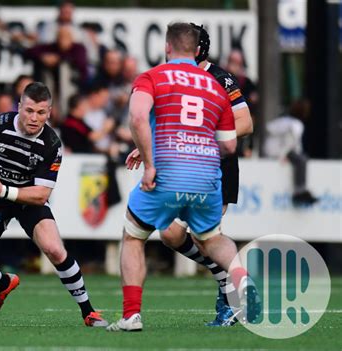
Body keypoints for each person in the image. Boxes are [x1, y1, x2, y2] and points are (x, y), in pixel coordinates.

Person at [106, 22, 259, 332]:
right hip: (206, 168)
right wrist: (196, 142)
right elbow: (229, 142)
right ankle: (238, 279)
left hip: (176, 167)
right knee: (185, 236)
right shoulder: (211, 86)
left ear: (167, 47)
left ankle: (132, 315)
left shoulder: (187, 77)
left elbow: (139, 117)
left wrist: (159, 152)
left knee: (134, 235)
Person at [0, 82, 108, 327]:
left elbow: (41, 195)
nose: (34, 118)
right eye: (29, 110)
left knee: (54, 249)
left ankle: (88, 311)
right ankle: (2, 283)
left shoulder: (52, 144)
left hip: (26, 198)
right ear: (19, 106)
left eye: (41, 113)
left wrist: (3, 190)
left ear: (50, 112)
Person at [264, 99, 318, 206]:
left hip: (269, 149)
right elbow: (291, 143)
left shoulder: (284, 120)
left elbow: (269, 127)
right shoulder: (296, 125)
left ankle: (301, 190)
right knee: (302, 160)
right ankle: (300, 190)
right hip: (280, 151)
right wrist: (282, 156)